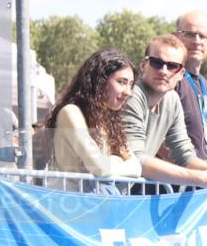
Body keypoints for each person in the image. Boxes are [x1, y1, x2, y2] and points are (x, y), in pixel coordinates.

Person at [120, 35, 207, 192]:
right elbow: (135, 159)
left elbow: (184, 155)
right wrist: (203, 178)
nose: (164, 71)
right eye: (157, 63)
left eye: (172, 66)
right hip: (98, 193)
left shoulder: (172, 99)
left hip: (119, 193)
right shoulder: (132, 95)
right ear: (143, 65)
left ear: (181, 73)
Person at [41, 49, 141, 178]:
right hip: (71, 191)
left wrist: (108, 163)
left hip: (93, 191)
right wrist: (117, 160)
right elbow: (99, 168)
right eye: (121, 82)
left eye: (131, 84)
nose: (128, 92)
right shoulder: (71, 112)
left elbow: (137, 168)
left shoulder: (110, 121)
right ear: (99, 81)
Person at [173, 11, 207, 166]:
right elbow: (161, 140)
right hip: (178, 178)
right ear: (175, 38)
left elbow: (206, 142)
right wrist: (196, 172)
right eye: (190, 34)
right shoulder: (168, 78)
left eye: (202, 36)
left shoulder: (206, 85)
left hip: (201, 176)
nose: (197, 41)